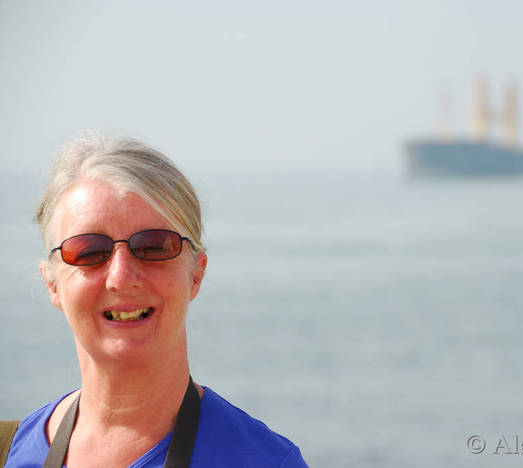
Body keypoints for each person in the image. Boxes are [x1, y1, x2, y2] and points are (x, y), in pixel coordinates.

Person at [4, 132, 308, 467]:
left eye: (154, 246)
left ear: (196, 273)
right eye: (89, 251)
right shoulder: (8, 452)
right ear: (53, 283)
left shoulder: (262, 461)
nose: (121, 277)